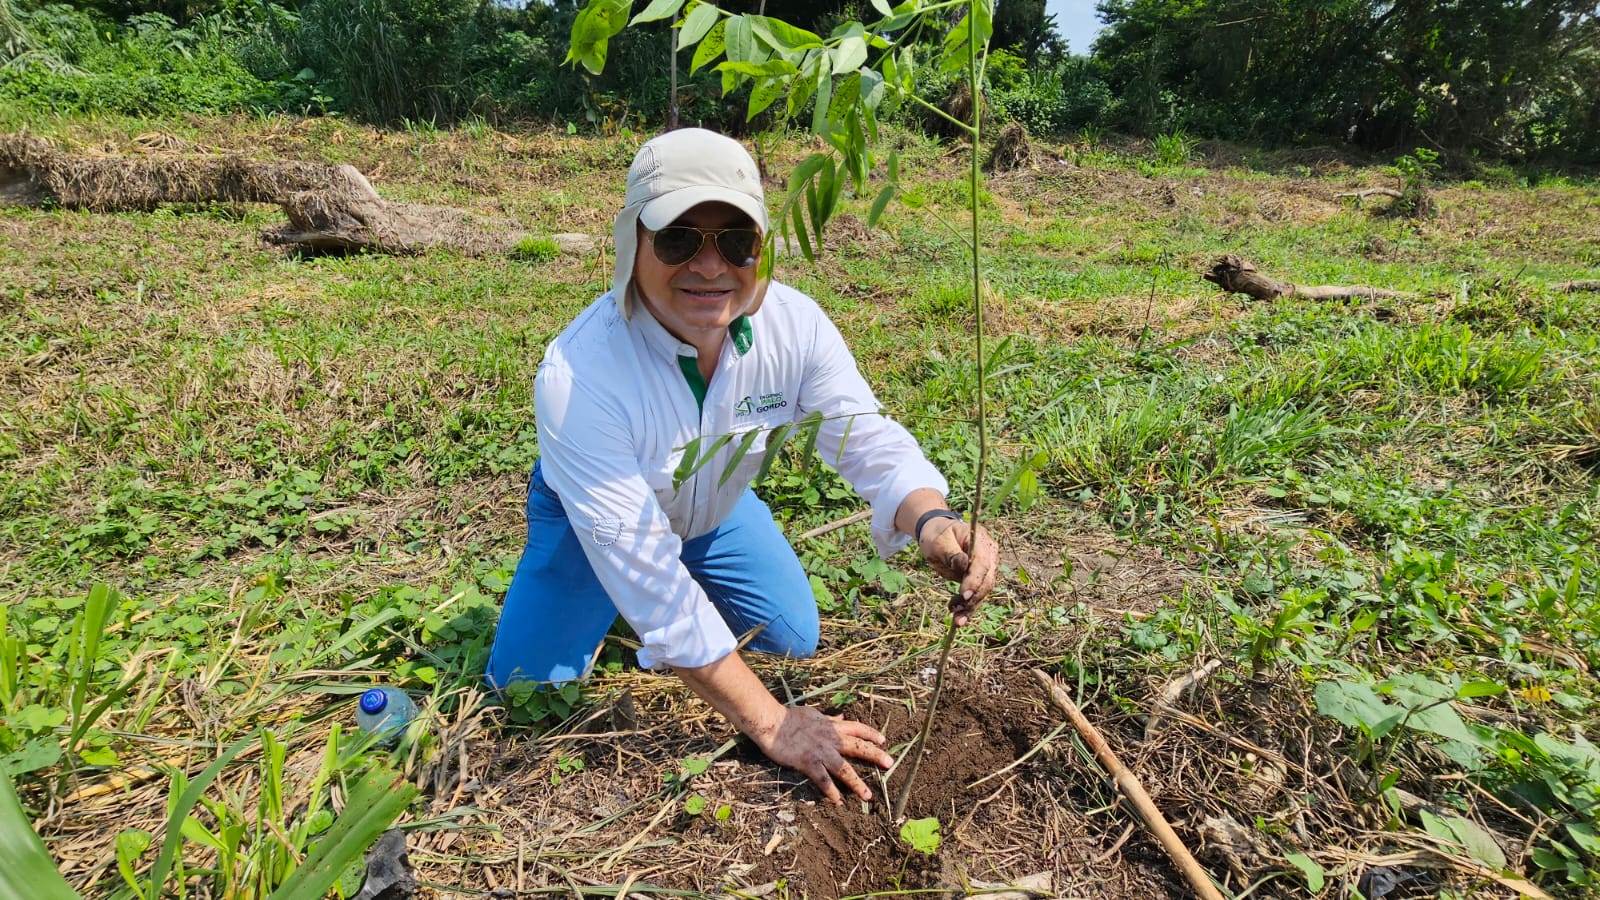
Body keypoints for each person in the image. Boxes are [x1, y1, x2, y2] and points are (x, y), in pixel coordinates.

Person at [486, 128, 999, 805]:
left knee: (791, 636)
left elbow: (864, 437)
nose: (709, 267)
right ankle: (592, 596)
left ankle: (681, 572)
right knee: (526, 690)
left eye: (736, 241)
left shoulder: (797, 327)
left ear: (763, 247)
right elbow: (650, 582)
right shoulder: (580, 375)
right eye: (678, 240)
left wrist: (932, 519)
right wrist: (773, 721)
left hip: (715, 509)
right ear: (631, 243)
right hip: (595, 528)